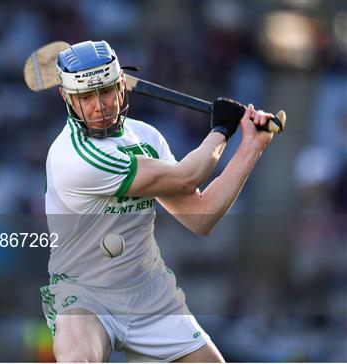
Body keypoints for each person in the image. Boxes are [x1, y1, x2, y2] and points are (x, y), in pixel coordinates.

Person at [41, 40, 275, 362]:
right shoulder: (75, 156)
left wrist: (252, 145)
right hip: (86, 295)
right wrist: (221, 129)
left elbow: (200, 217)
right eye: (84, 97)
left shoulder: (147, 138)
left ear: (122, 85)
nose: (98, 106)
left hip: (152, 295)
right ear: (66, 98)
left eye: (106, 91)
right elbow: (185, 177)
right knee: (77, 357)